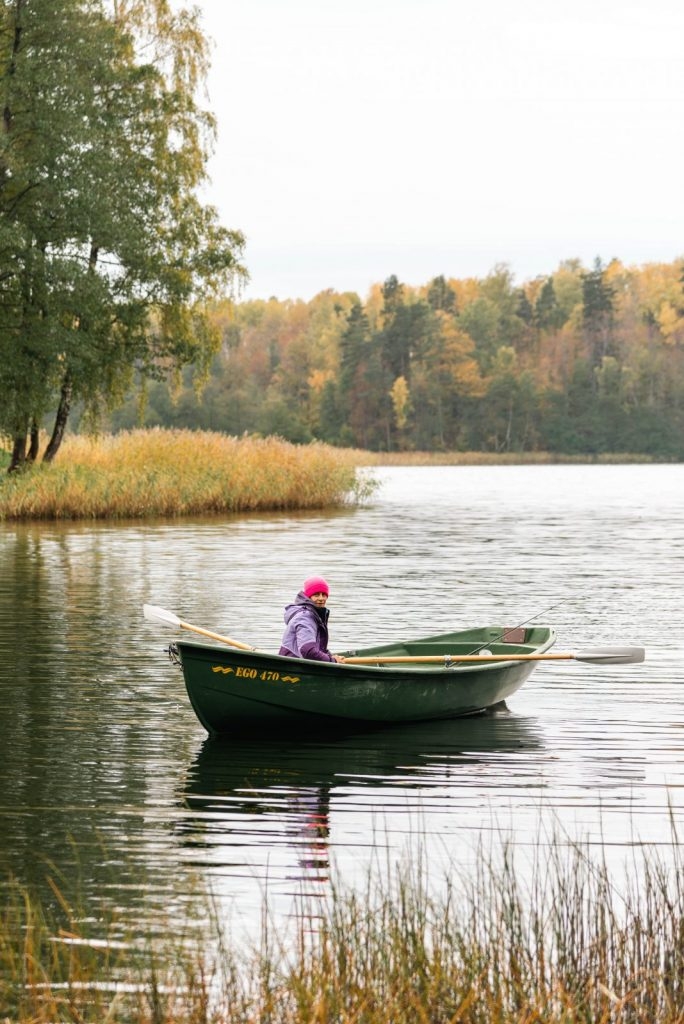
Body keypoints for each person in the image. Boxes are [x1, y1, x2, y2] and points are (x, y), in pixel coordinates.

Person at [279, 576, 346, 663]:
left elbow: (318, 648)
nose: (321, 598)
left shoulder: (315, 614)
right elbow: (308, 650)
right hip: (292, 664)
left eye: (324, 594)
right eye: (316, 595)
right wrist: (332, 660)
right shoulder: (305, 616)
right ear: (308, 597)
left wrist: (330, 656)